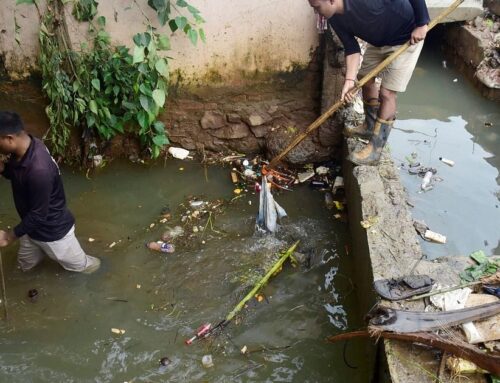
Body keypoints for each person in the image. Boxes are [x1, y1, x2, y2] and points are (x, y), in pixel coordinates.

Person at [308, 0, 429, 165]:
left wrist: (422, 23)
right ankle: (369, 126)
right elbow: (352, 49)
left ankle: (375, 150)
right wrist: (349, 81)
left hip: (406, 38)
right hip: (379, 41)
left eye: (317, 7)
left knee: (387, 93)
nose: (316, 13)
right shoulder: (334, 17)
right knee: (364, 78)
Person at [0, 111, 100, 273]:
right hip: (30, 228)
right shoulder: (25, 147)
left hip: (54, 234)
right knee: (24, 268)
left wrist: (8, 237)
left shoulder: (38, 169)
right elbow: (20, 176)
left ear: (10, 138)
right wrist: (3, 169)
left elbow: (39, 215)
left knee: (86, 268)